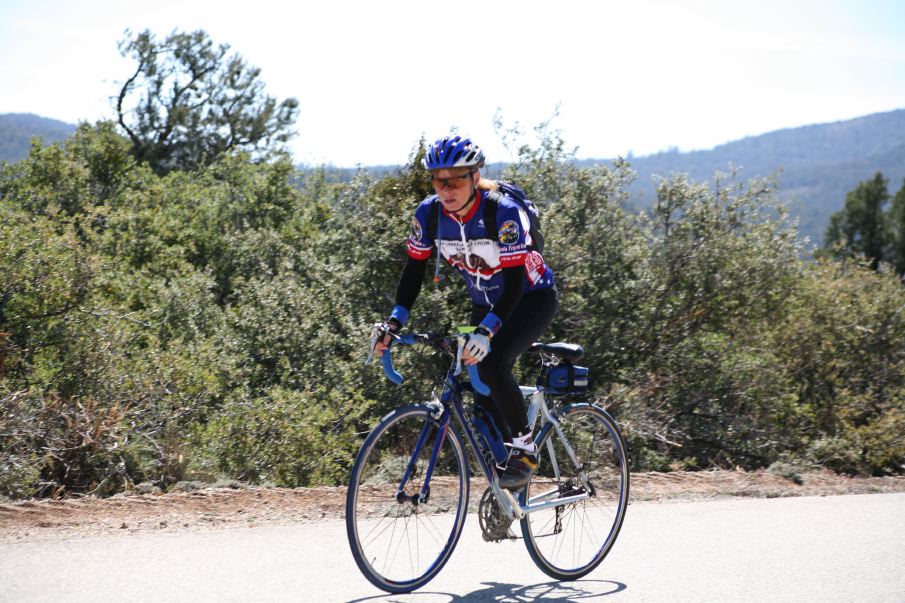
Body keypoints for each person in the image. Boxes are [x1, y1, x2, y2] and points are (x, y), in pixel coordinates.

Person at [374, 135, 557, 489]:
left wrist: (487, 333)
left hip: (530, 298)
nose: (447, 188)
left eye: (456, 178)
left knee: (491, 362)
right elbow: (413, 271)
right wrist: (395, 321)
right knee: (479, 392)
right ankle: (506, 492)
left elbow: (515, 285)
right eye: (439, 179)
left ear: (475, 177)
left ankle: (525, 450)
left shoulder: (502, 213)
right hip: (485, 301)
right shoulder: (429, 214)